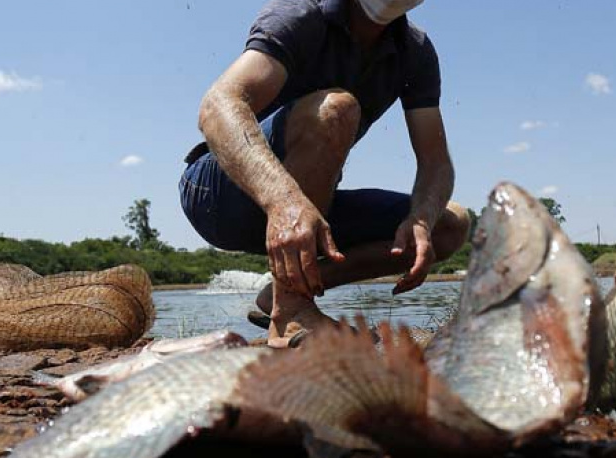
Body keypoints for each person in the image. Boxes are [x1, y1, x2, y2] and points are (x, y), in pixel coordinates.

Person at [179, 0, 470, 347]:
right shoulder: (302, 15)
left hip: (308, 202)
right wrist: (282, 200)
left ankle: (282, 290)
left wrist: (421, 219)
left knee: (450, 223)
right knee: (337, 108)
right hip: (220, 193)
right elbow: (218, 106)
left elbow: (435, 162)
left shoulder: (415, 51)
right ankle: (290, 311)